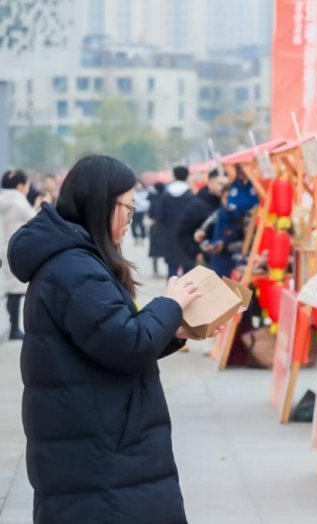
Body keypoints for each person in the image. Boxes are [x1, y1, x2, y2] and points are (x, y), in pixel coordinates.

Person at [8, 155, 204, 524]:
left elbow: (105, 341)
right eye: (127, 208)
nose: (131, 219)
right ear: (101, 204)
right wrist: (171, 303)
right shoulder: (75, 269)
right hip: (101, 453)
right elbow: (128, 343)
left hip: (96, 443)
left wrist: (173, 331)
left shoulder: (74, 263)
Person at [1, 170, 37, 340]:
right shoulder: (18, 202)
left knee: (8, 289)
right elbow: (35, 219)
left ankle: (12, 327)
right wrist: (39, 204)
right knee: (15, 289)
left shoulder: (3, 199)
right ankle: (14, 328)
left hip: (3, 247)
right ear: (20, 186)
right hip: (12, 249)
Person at [176, 169, 224, 268]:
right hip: (204, 261)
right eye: (220, 184)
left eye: (226, 184)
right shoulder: (196, 205)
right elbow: (183, 232)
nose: (223, 188)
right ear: (210, 183)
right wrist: (196, 254)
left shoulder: (227, 205)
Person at [196, 185, 244, 278]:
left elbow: (249, 243)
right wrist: (208, 246)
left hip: (239, 266)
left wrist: (226, 246)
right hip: (217, 263)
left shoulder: (244, 217)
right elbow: (203, 234)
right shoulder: (216, 216)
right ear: (221, 198)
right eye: (226, 198)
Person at [158, 166, 194, 277]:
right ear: (187, 176)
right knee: (188, 272)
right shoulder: (191, 195)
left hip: (170, 236)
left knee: (172, 270)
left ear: (174, 176)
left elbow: (161, 217)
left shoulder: (165, 195)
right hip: (187, 237)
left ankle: (170, 292)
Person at [148, 182, 170, 276]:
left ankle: (155, 270)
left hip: (155, 227)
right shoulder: (167, 199)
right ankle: (168, 270)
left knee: (155, 250)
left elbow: (150, 214)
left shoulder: (153, 200)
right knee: (167, 249)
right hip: (166, 228)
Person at [132, 180, 150, 245]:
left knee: (142, 225)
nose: (139, 187)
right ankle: (135, 238)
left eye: (140, 185)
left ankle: (142, 239)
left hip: (142, 211)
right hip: (134, 211)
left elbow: (147, 204)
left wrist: (138, 202)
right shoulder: (133, 192)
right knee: (133, 225)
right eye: (137, 185)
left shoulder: (146, 193)